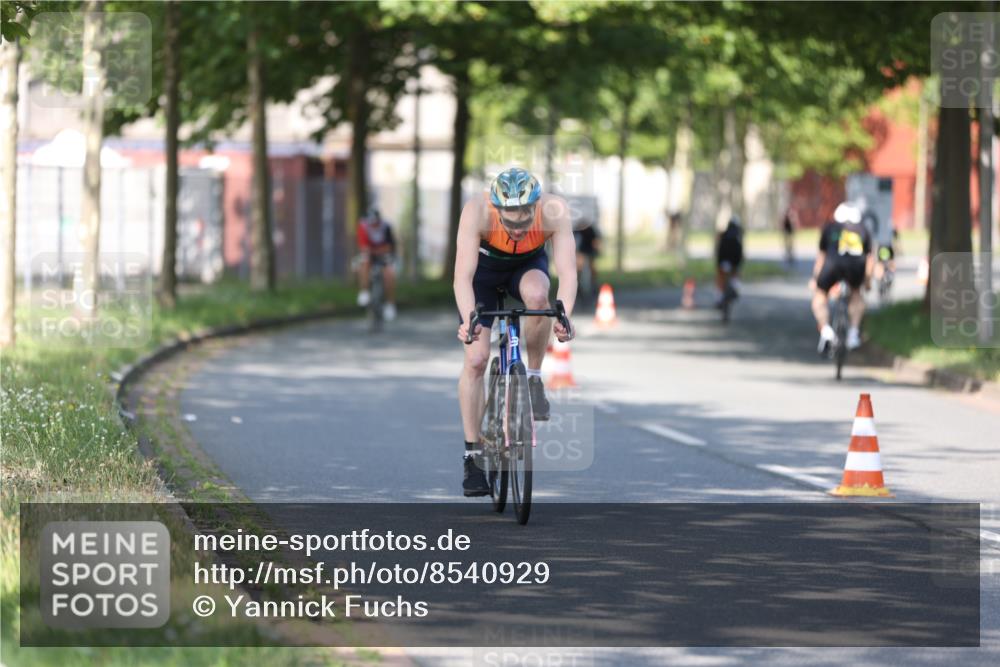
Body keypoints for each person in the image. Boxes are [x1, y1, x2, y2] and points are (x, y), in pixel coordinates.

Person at [454, 167, 576, 497]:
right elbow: (462, 277)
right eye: (510, 222)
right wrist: (469, 321)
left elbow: (567, 273)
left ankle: (533, 377)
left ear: (536, 208)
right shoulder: (476, 212)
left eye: (525, 221)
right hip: (482, 276)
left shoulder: (555, 212)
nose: (519, 228)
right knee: (477, 359)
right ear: (496, 209)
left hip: (526, 269)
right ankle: (472, 454)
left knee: (539, 298)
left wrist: (563, 316)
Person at [810, 202, 874, 354]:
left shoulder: (830, 228)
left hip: (832, 265)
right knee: (857, 296)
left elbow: (821, 257)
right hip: (855, 266)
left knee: (819, 298)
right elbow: (870, 260)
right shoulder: (864, 230)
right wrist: (867, 282)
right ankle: (853, 333)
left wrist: (815, 279)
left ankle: (826, 331)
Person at [356, 208, 397, 321]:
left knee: (389, 273)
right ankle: (364, 291)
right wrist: (372, 251)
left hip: (384, 255)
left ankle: (390, 304)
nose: (373, 225)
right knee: (363, 263)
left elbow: (389, 247)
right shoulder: (363, 227)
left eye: (375, 223)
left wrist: (375, 251)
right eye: (371, 223)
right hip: (370, 255)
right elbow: (363, 247)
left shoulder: (386, 227)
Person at [714, 216, 744, 307]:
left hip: (724, 262)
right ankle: (735, 289)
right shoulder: (738, 235)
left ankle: (719, 298)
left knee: (721, 280)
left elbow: (719, 251)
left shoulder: (723, 235)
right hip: (733, 262)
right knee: (735, 275)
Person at [574, 220, 601, 299]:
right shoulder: (577, 230)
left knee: (592, 268)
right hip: (582, 251)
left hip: (589, 251)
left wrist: (596, 251)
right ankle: (578, 286)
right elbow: (574, 241)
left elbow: (595, 241)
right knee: (579, 268)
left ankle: (593, 284)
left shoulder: (590, 230)